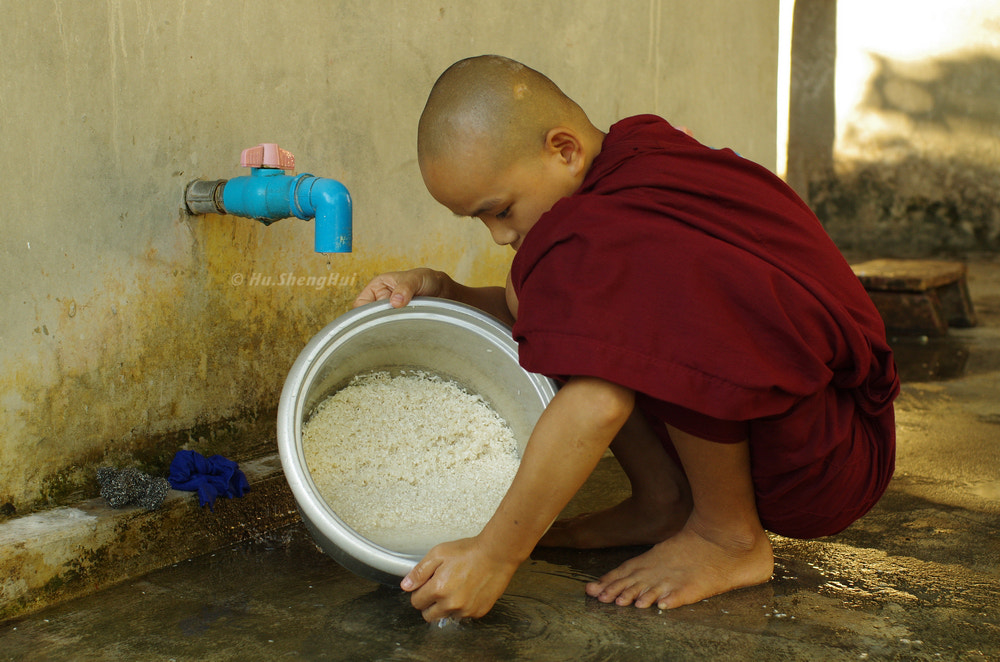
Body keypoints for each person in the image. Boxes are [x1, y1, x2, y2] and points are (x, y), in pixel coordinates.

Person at [354, 55, 899, 623]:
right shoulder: (611, 177)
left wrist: (495, 553)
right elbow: (552, 322)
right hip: (804, 427)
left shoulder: (619, 214)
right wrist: (447, 290)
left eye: (501, 210)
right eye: (479, 221)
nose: (499, 236)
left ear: (563, 150)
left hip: (826, 457)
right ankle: (664, 500)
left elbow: (598, 400)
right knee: (550, 298)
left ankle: (727, 536)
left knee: (632, 293)